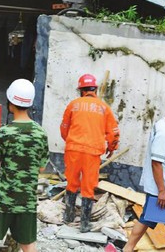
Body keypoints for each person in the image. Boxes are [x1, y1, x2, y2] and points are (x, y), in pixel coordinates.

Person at [0, 79, 48, 252]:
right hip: (27, 199)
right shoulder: (41, 134)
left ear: (10, 103)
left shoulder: (5, 133)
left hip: (3, 198)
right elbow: (41, 168)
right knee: (28, 244)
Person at [123, 103, 165, 252]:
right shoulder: (164, 133)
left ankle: (128, 248)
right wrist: (162, 191)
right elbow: (156, 163)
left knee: (147, 218)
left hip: (164, 188)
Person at [60, 73, 120, 232]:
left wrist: (71, 142)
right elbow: (114, 133)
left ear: (81, 90)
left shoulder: (73, 105)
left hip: (73, 149)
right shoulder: (104, 108)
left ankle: (69, 216)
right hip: (92, 152)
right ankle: (85, 224)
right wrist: (111, 148)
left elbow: (64, 128)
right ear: (95, 89)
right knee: (88, 186)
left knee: (71, 182)